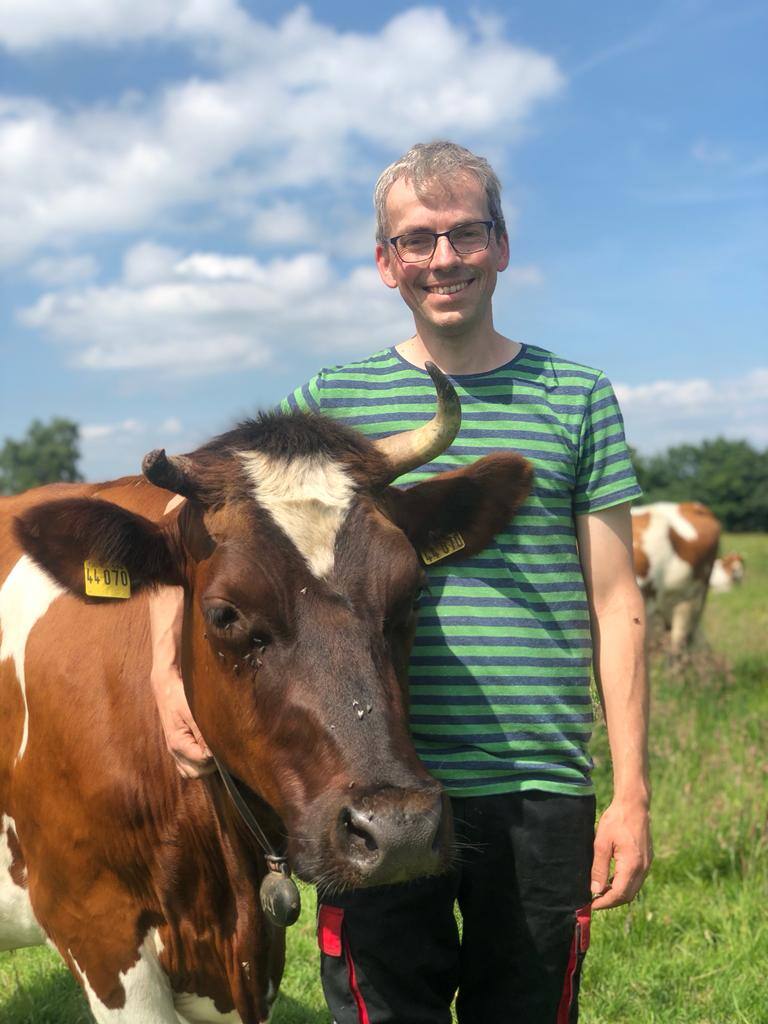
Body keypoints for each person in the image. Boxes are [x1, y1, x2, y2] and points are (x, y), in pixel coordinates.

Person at [150, 141, 652, 1023]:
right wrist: (164, 675)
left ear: (501, 245)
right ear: (386, 263)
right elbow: (203, 535)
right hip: (365, 777)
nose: (443, 258)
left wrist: (631, 793)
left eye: (465, 233)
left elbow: (619, 604)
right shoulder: (328, 400)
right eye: (417, 240)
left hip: (537, 783)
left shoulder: (577, 396)